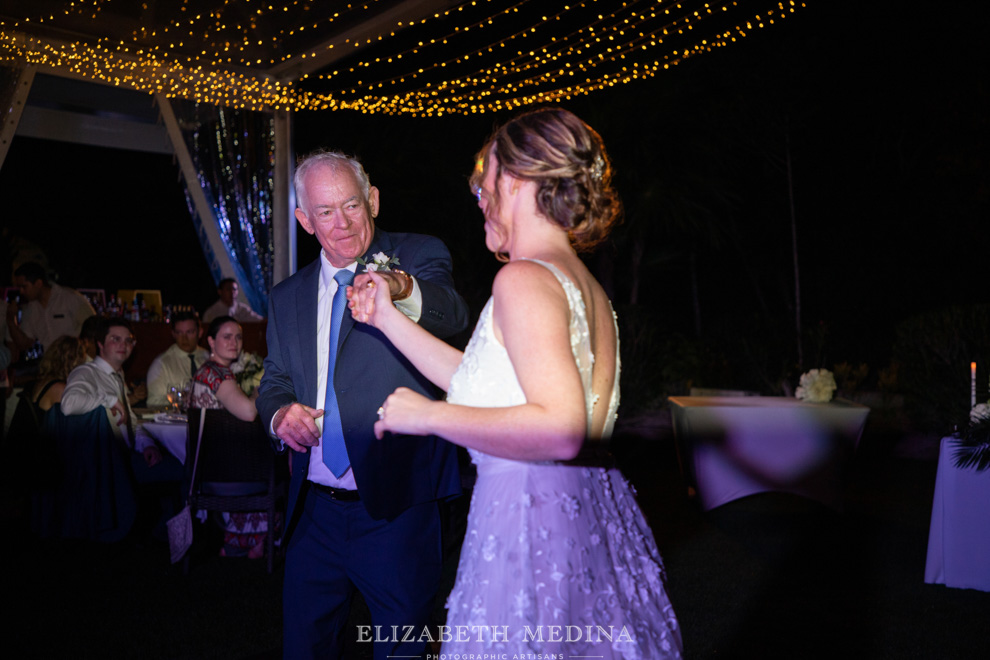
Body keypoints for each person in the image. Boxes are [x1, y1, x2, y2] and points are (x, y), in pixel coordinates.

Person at [348, 108, 683, 658]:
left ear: (520, 181)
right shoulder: (582, 284)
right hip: (588, 511)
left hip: (531, 521)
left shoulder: (523, 279)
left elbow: (560, 427)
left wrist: (427, 417)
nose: (478, 195)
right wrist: (388, 317)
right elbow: (482, 384)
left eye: (485, 180)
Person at [255, 150, 469, 659]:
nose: (342, 222)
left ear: (372, 200)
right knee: (304, 647)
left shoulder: (417, 256)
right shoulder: (287, 296)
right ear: (305, 221)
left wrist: (397, 288)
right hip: (313, 514)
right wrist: (280, 413)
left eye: (351, 204)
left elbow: (451, 314)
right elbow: (275, 379)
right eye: (325, 212)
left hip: (398, 508)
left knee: (402, 648)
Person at [61, 318, 181, 481]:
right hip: (104, 467)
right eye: (115, 339)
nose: (123, 345)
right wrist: (109, 400)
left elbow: (128, 420)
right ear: (100, 344)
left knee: (183, 466)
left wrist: (147, 444)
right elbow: (68, 404)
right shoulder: (87, 372)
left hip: (122, 459)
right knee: (183, 470)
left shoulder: (117, 375)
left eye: (128, 340)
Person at [190, 315, 268, 558]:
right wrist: (258, 392)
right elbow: (247, 413)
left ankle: (244, 540)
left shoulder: (209, 371)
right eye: (227, 336)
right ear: (211, 341)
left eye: (238, 337)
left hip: (212, 465)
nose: (235, 342)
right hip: (226, 469)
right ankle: (255, 541)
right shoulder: (216, 374)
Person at [7, 262, 95, 352]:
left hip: (76, 360)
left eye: (24, 287)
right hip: (50, 363)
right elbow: (24, 343)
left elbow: (94, 327)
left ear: (38, 283)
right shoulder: (30, 309)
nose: (21, 291)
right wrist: (10, 321)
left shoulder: (69, 298)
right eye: (19, 287)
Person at [146, 311, 209, 408]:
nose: (184, 338)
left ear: (199, 333)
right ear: (173, 334)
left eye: (190, 332)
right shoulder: (162, 363)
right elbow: (153, 402)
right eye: (179, 333)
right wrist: (179, 400)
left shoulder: (208, 357)